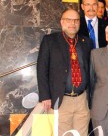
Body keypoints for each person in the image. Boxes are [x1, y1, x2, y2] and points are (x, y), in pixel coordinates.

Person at [37, 8, 92, 136]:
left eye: (76, 20)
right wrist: (45, 96)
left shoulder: (86, 42)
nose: (73, 23)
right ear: (62, 22)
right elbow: (42, 69)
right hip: (60, 99)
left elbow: (90, 70)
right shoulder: (50, 41)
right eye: (69, 20)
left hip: (82, 100)